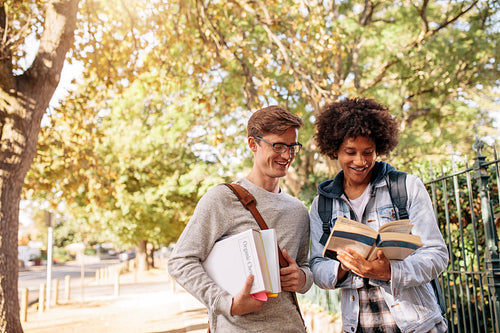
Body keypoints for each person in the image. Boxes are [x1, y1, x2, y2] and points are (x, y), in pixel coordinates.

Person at [168, 105, 313, 332]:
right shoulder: (222, 199)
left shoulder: (298, 211)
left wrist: (302, 278)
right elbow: (181, 262)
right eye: (278, 146)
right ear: (253, 144)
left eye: (292, 146)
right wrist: (228, 304)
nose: (287, 155)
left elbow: (305, 265)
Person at [309, 98, 449, 332]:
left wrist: (390, 271)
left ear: (378, 149)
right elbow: (316, 265)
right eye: (350, 152)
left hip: (418, 325)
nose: (360, 161)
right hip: (359, 326)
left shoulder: (407, 188)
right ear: (334, 150)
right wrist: (344, 267)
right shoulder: (322, 205)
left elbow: (436, 255)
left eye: (368, 152)